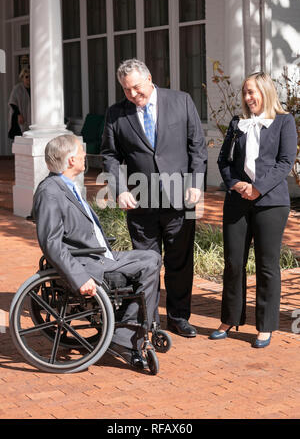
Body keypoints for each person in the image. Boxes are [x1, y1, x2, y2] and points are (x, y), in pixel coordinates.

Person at [33, 134, 161, 370]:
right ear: (71, 160)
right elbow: (51, 243)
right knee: (149, 264)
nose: (84, 156)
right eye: (81, 152)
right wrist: (79, 278)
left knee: (151, 256)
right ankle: (125, 335)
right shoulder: (50, 192)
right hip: (87, 265)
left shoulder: (67, 187)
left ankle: (125, 328)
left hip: (98, 255)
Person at [101, 58, 207, 338]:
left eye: (136, 88)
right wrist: (119, 189)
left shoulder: (181, 101)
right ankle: (148, 320)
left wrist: (196, 183)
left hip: (180, 198)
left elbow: (197, 146)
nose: (133, 95)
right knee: (146, 264)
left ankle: (178, 317)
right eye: (126, 90)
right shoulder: (116, 114)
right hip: (140, 201)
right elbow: (110, 155)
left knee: (179, 262)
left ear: (149, 78)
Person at [210, 71, 297, 348]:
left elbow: (285, 163)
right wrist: (235, 183)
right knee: (234, 262)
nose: (247, 98)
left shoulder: (284, 122)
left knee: (267, 265)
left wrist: (257, 188)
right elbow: (224, 160)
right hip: (237, 199)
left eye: (252, 92)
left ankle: (265, 325)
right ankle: (230, 318)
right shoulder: (238, 123)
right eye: (245, 93)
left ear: (265, 92)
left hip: (270, 202)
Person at [8, 67, 31, 138]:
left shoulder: (33, 88)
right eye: (26, 77)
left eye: (30, 76)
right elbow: (12, 102)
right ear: (22, 78)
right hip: (18, 116)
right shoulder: (17, 88)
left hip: (28, 115)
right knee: (18, 138)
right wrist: (19, 115)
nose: (28, 79)